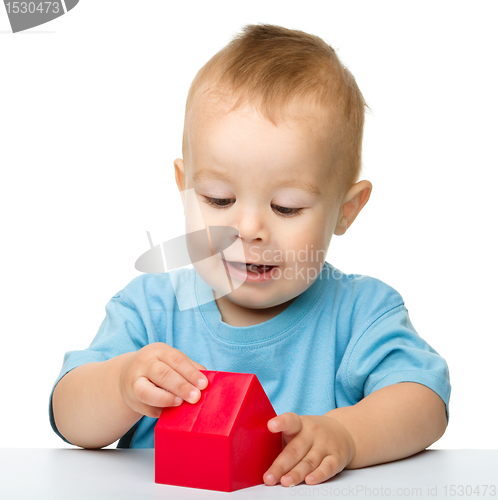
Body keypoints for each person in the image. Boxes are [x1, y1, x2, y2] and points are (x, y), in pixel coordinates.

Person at [50, 23, 451, 488]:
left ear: (346, 210)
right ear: (184, 187)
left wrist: (348, 435)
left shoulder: (360, 313)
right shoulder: (151, 310)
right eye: (219, 199)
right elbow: (67, 414)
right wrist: (120, 385)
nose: (248, 229)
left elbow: (425, 400)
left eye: (286, 207)